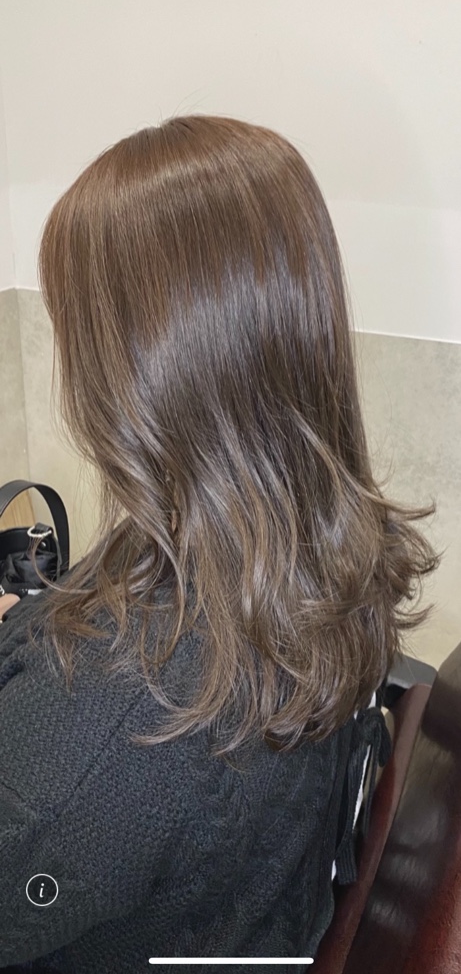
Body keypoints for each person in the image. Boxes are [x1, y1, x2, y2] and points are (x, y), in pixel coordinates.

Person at [0, 115, 440, 973]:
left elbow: (76, 780)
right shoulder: (324, 553)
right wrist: (33, 628)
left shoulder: (118, 713)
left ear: (131, 371)